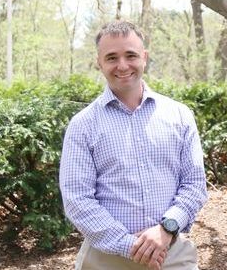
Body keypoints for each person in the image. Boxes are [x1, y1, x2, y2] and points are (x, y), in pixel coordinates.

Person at [59, 21, 208, 270]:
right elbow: (78, 199)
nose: (122, 65)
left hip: (171, 255)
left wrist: (166, 229)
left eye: (131, 55)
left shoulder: (179, 115)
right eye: (111, 57)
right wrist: (130, 245)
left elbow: (194, 185)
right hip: (105, 260)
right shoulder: (83, 125)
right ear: (99, 62)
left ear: (145, 57)